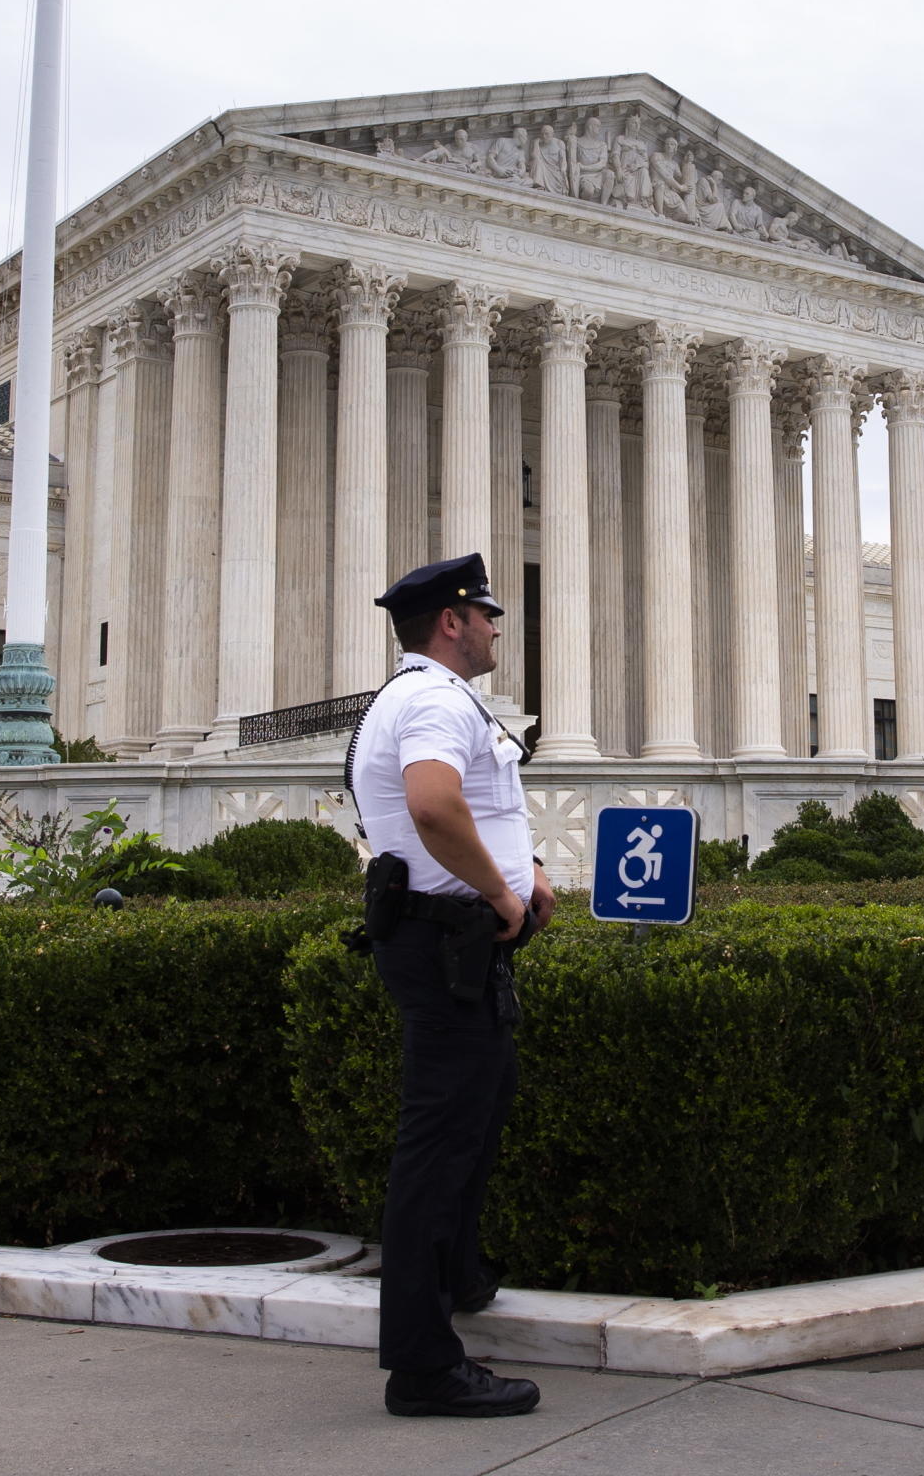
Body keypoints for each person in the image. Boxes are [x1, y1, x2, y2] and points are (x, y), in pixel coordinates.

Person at [350, 553, 557, 1420]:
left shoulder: (419, 698)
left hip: (449, 940)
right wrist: (505, 892)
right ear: (450, 623)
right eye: (486, 615)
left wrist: (526, 869)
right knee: (437, 1143)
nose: (498, 627)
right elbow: (433, 805)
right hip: (447, 943)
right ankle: (424, 1366)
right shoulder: (435, 699)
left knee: (481, 1099)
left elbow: (473, 805)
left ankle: (460, 1275)